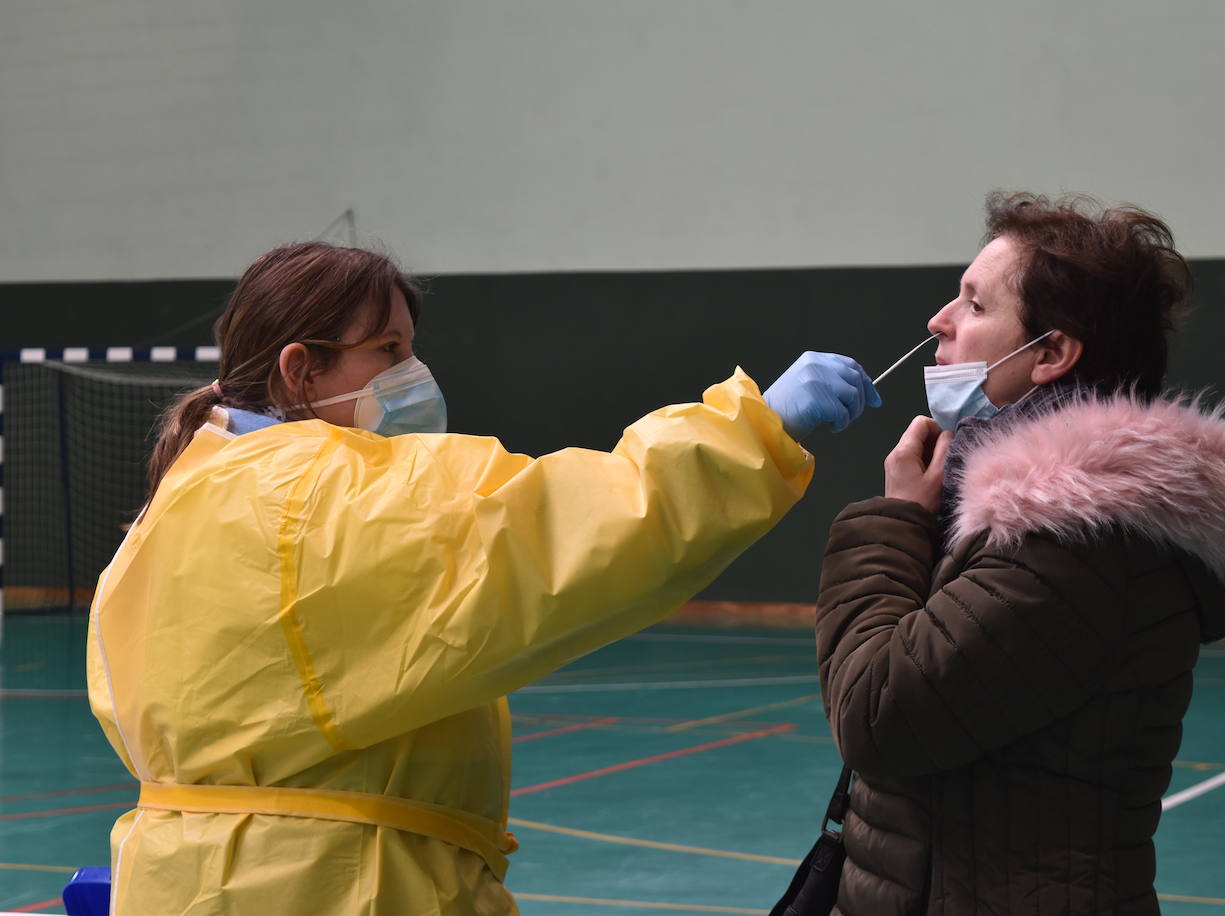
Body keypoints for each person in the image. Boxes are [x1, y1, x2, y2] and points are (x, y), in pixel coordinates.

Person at [87, 241, 880, 915]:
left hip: (179, 880)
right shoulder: (329, 492)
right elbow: (559, 537)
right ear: (300, 371)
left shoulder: (174, 506)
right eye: (387, 352)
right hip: (336, 885)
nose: (414, 372)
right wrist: (755, 431)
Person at [814, 193, 1225, 915]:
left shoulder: (1078, 542)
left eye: (975, 305)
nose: (939, 322)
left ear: (1050, 354)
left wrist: (891, 522)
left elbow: (878, 714)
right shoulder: (1017, 519)